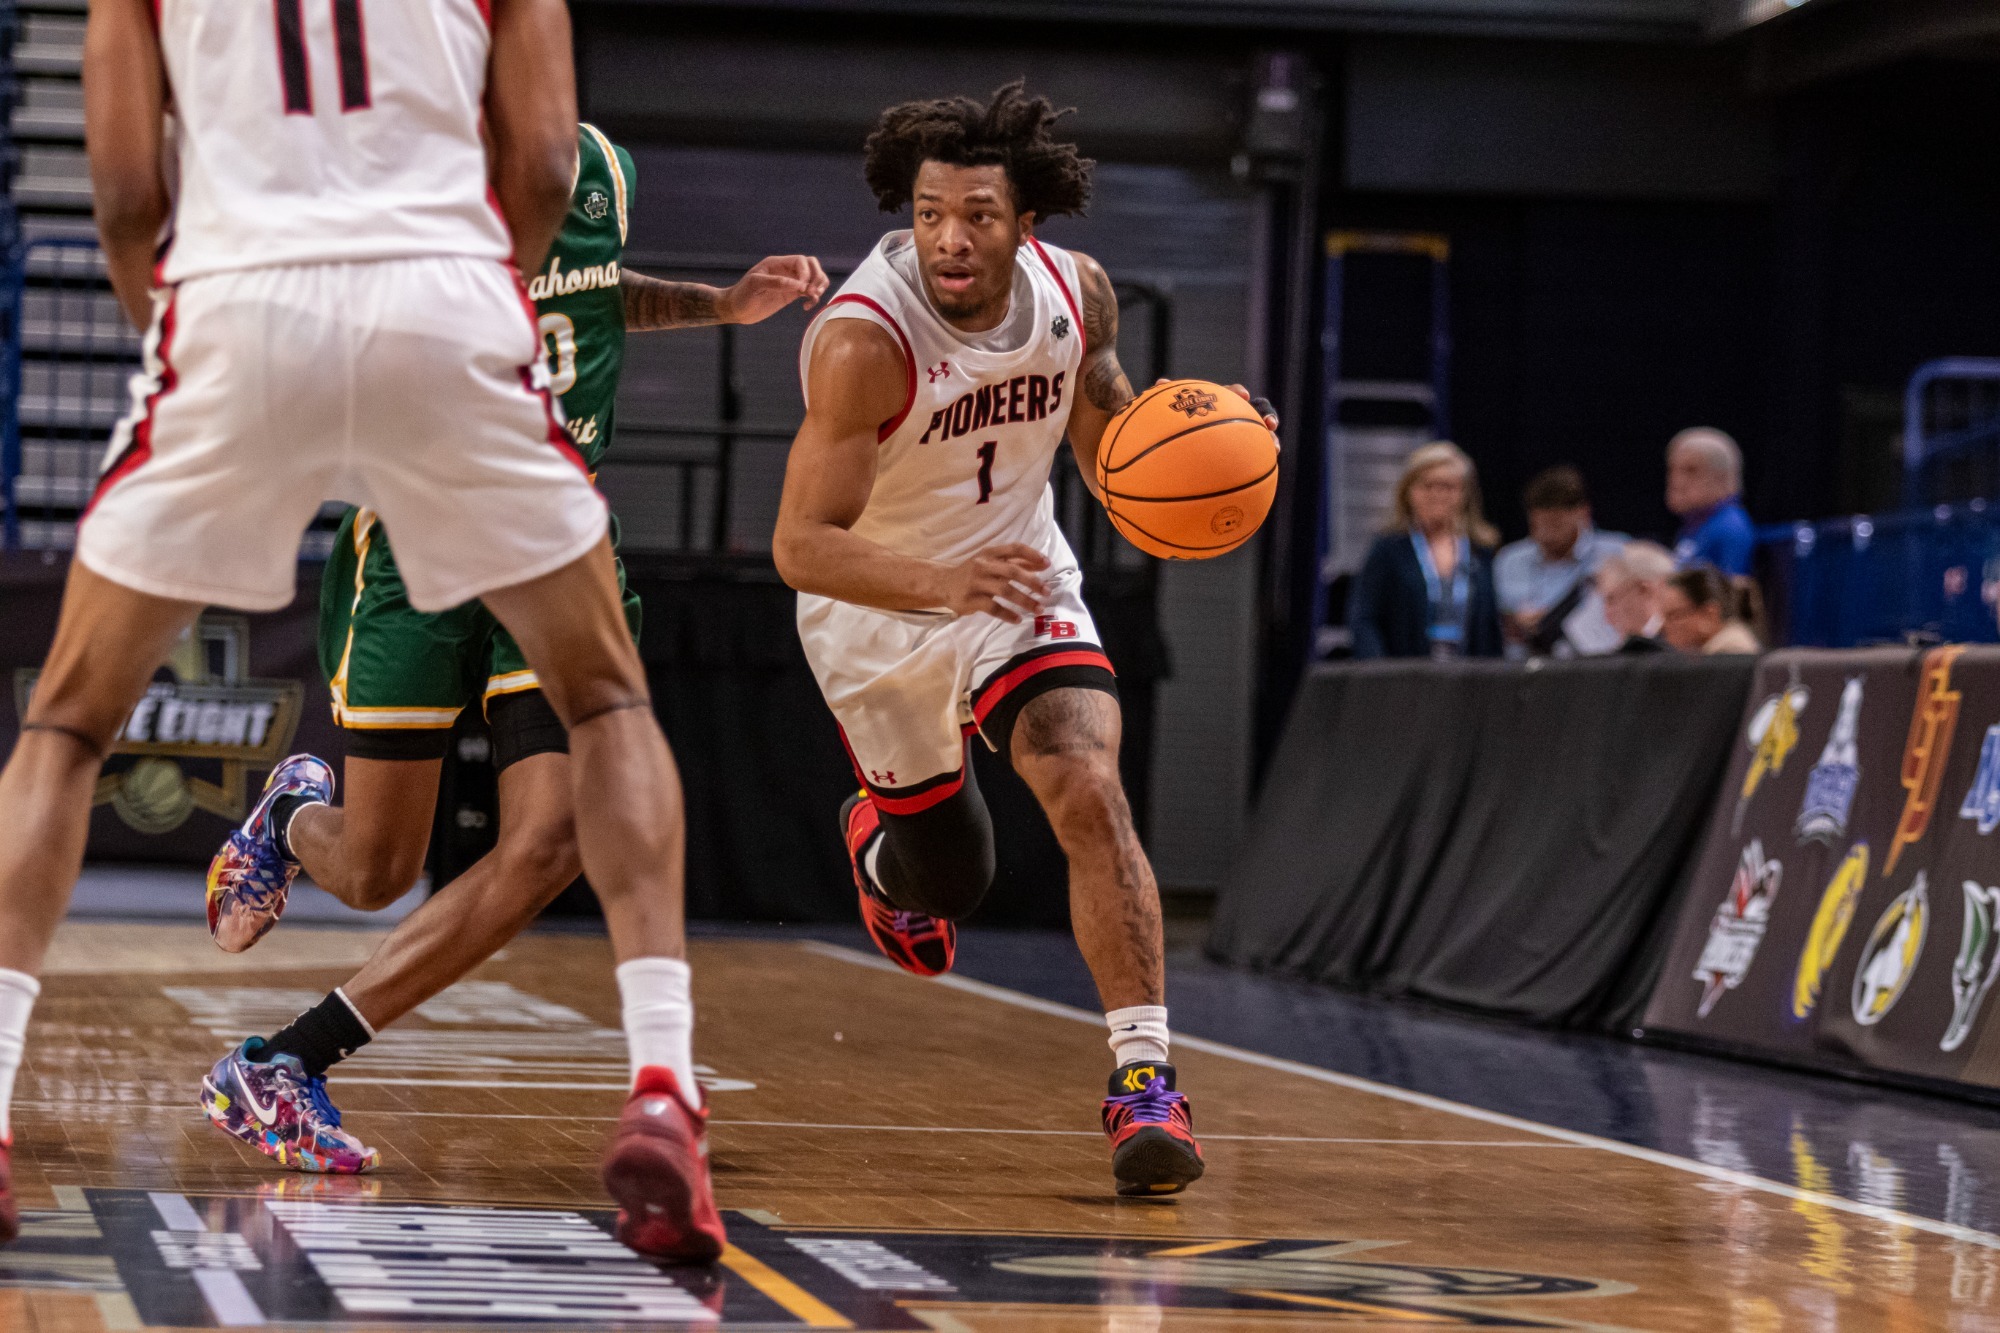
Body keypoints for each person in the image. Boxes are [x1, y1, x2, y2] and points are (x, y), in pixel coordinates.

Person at [0, 0, 720, 1263]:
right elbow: (543, 164)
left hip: (237, 301)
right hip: (442, 305)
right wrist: (474, 310)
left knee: (64, 726)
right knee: (612, 705)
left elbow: (123, 194)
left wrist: (178, 335)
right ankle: (662, 1084)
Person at [196, 126, 827, 1182]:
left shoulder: (602, 163)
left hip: (560, 543)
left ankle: (285, 1064)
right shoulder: (385, 160)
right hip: (417, 546)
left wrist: (716, 305)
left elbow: (587, 288)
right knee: (376, 871)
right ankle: (294, 820)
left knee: (550, 844)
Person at [772, 83, 1275, 1199]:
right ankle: (881, 850)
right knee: (954, 879)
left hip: (1019, 581)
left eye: (978, 216)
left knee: (1088, 787)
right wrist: (936, 581)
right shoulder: (861, 341)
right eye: (929, 213)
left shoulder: (1076, 294)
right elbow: (800, 545)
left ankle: (1143, 1080)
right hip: (878, 612)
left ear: (1025, 223)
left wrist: (1203, 453)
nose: (950, 239)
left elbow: (1107, 442)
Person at [1350, 442, 1503, 660]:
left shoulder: (1481, 549)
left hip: (1468, 681)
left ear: (1464, 494)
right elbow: (1364, 619)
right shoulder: (1388, 549)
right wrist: (1380, 676)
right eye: (1428, 486)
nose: (1437, 494)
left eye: (1448, 486)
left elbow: (1490, 628)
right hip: (1404, 680)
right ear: (1408, 492)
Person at [1493, 465, 1627, 657]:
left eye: (1557, 522)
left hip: (1595, 664)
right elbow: (1495, 621)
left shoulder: (1616, 553)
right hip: (1523, 668)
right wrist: (1515, 619)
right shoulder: (1509, 561)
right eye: (1541, 523)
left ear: (1583, 513)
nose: (1548, 533)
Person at [1667, 427, 1755, 575]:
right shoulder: (1695, 525)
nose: (1677, 480)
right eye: (1672, 469)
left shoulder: (1729, 529)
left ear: (1723, 478)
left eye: (1691, 470)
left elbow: (1728, 595)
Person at [1596, 542, 1678, 653]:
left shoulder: (1679, 643)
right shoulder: (1633, 647)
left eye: (1612, 600)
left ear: (1644, 591)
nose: (1607, 617)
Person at [1662, 567, 1764, 655]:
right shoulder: (1707, 654)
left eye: (1674, 616)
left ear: (1709, 615)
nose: (1663, 625)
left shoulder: (1730, 652)